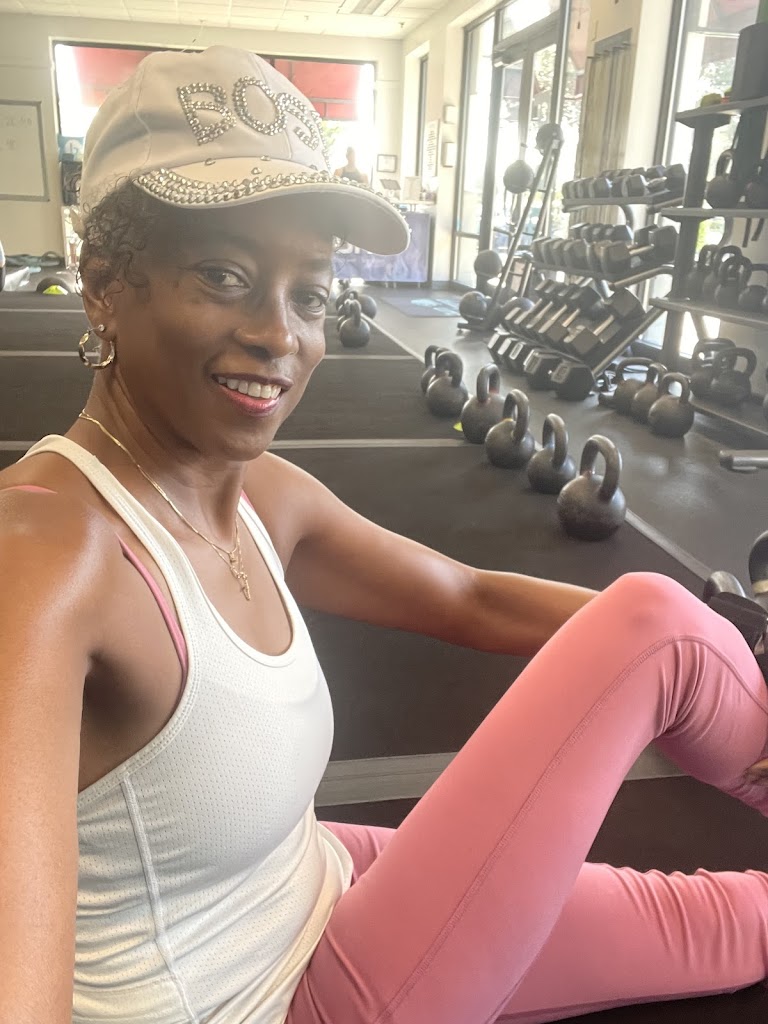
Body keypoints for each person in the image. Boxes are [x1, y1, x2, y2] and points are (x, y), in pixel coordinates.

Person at [0, 44, 767, 1024]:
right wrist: (699, 657)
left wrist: (719, 667)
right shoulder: (42, 554)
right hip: (264, 1003)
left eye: (311, 292)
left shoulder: (262, 494)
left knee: (725, 920)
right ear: (104, 281)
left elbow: (469, 597)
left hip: (310, 883)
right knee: (657, 627)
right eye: (224, 275)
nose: (280, 333)